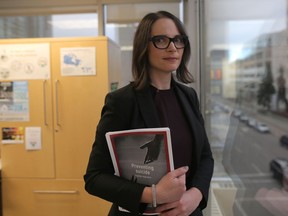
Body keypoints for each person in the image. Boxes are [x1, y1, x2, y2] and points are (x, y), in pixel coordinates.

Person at [84, 10, 214, 216]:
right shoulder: (122, 102)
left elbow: (205, 156)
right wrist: (153, 194)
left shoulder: (189, 96)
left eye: (178, 40)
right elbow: (95, 178)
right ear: (144, 46)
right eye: (161, 40)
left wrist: (196, 195)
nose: (172, 47)